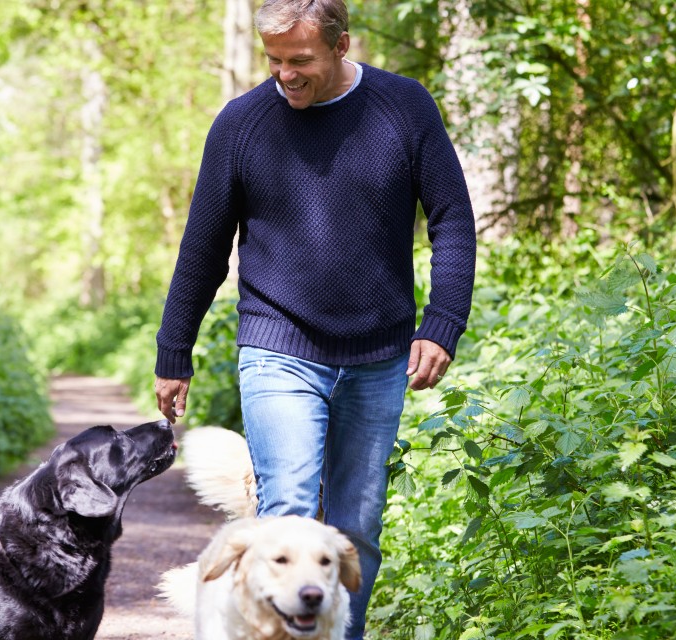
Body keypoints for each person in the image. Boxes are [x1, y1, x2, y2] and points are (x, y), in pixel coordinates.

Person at [153, 0, 476, 637]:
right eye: (273, 60)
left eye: (300, 60)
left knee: (356, 529)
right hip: (278, 344)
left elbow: (453, 220)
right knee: (288, 517)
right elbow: (204, 247)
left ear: (341, 45)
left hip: (378, 355)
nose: (285, 74)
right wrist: (174, 350)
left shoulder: (403, 107)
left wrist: (443, 322)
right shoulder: (242, 124)